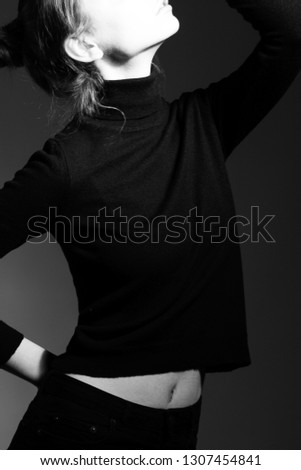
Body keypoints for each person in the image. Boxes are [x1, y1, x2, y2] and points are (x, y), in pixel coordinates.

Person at [0, 0, 300, 450]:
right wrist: (45, 370)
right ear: (84, 44)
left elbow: (291, 33)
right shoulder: (64, 165)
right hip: (83, 430)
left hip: (179, 435)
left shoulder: (202, 124)